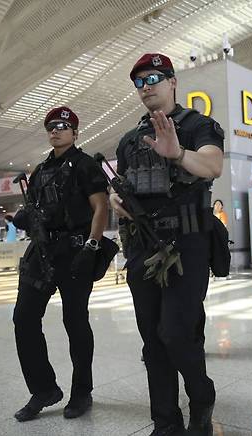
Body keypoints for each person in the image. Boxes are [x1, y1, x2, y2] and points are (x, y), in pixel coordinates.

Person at [109, 53, 224, 436]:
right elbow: (123, 186)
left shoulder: (198, 126)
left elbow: (212, 166)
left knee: (176, 331)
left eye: (153, 78)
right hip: (144, 246)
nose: (146, 87)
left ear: (173, 81)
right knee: (151, 339)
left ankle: (201, 397)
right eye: (139, 82)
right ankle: (165, 420)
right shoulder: (129, 140)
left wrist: (176, 153)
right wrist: (117, 203)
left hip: (186, 243)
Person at [12, 106, 109, 422]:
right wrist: (25, 219)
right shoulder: (40, 170)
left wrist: (92, 247)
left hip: (75, 252)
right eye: (51, 126)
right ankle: (44, 390)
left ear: (75, 132)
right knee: (24, 317)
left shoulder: (84, 165)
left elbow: (101, 207)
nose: (56, 130)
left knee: (75, 321)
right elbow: (39, 209)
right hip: (41, 251)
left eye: (63, 126)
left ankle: (82, 391)